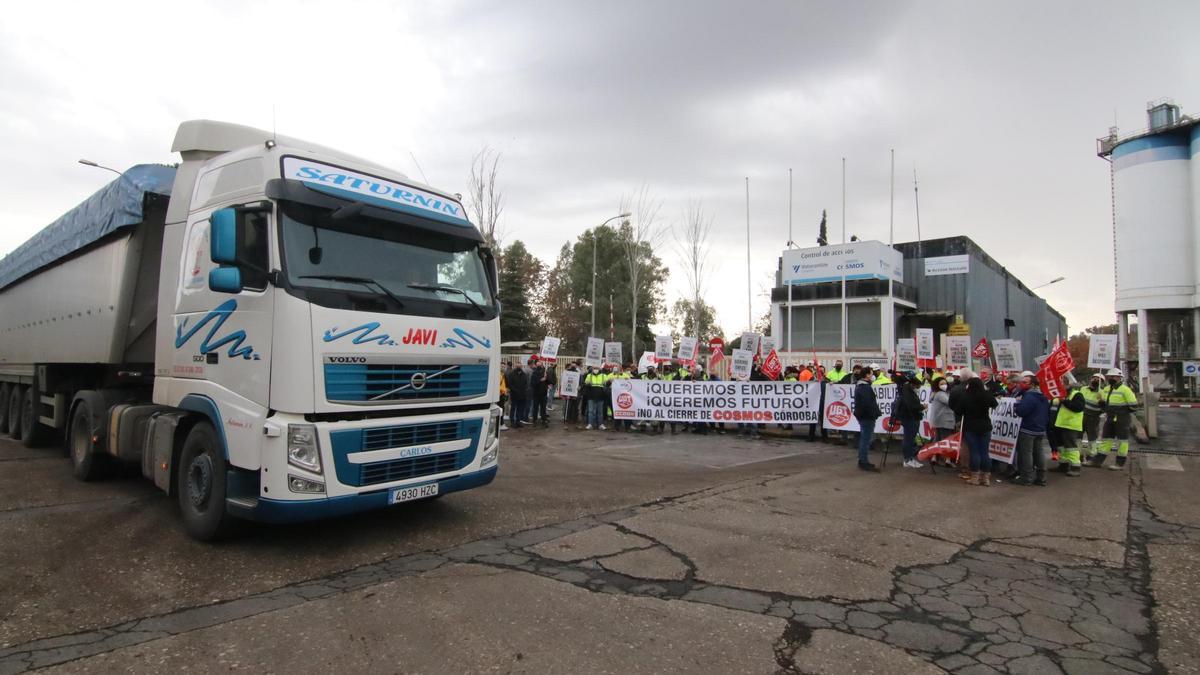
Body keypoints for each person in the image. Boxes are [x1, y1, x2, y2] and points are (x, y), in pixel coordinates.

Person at [1090, 368, 1138, 470]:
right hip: (1110, 417)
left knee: (1122, 441)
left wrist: (1122, 411)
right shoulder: (1107, 389)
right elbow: (1103, 402)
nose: (1111, 378)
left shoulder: (1125, 390)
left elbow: (1134, 406)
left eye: (1113, 376)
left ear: (1119, 378)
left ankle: (1119, 463)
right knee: (1106, 439)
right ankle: (1097, 461)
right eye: (1109, 376)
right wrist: (1102, 403)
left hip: (1122, 418)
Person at [1012, 372, 1050, 486]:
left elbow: (1021, 411)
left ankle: (1026, 477)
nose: (1021, 384)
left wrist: (1017, 404)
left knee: (1026, 453)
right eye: (1021, 382)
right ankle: (1041, 477)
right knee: (1039, 453)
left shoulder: (1029, 397)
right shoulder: (1042, 396)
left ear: (1032, 384)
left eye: (1024, 382)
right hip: (1039, 428)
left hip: (1028, 428)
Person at [961, 375, 998, 486]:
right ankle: (986, 478)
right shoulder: (986, 395)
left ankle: (975, 477)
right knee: (985, 452)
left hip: (971, 427)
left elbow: (958, 410)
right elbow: (995, 404)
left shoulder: (966, 396)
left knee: (974, 452)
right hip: (985, 426)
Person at [892, 372, 926, 468]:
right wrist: (921, 407)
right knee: (909, 439)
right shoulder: (906, 390)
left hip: (911, 416)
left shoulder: (905, 389)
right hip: (910, 417)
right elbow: (911, 405)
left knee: (910, 438)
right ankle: (908, 459)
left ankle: (909, 458)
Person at [1054, 377, 1087, 476]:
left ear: (1067, 385)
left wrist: (1064, 401)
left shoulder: (1077, 394)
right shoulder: (1059, 395)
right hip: (1060, 424)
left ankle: (1075, 467)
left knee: (1071, 447)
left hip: (1071, 425)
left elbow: (1078, 408)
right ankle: (1063, 465)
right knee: (1061, 446)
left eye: (1060, 384)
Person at [853, 368, 881, 471]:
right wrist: (874, 413)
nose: (872, 376)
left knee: (864, 438)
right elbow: (868, 404)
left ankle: (862, 460)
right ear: (867, 375)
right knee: (866, 439)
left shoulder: (861, 386)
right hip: (867, 417)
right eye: (871, 374)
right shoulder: (865, 387)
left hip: (864, 416)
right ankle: (863, 461)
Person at [1080, 373, 1105, 460]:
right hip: (1081, 416)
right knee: (1078, 435)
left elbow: (1105, 408)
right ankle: (1079, 454)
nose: (1096, 380)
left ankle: (1092, 454)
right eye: (1094, 378)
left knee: (1092, 437)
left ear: (1101, 382)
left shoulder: (1102, 393)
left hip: (1093, 418)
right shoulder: (1083, 389)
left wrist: (1102, 402)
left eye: (1099, 379)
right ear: (1091, 379)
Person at [928, 376, 956, 445]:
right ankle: (942, 455)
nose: (944, 385)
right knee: (945, 440)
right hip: (944, 421)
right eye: (941, 384)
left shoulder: (937, 393)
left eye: (945, 383)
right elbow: (950, 403)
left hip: (939, 421)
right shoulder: (941, 394)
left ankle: (935, 454)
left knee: (938, 439)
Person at [583, 365, 607, 430]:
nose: (595, 369)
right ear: (592, 369)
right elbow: (585, 384)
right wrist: (587, 383)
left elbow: (606, 384)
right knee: (591, 411)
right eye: (594, 368)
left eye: (597, 368)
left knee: (600, 411)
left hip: (600, 395)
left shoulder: (603, 376)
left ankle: (600, 424)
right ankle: (590, 424)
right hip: (591, 395)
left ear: (599, 369)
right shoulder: (589, 376)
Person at [506, 363, 530, 429]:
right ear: (515, 366)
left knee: (520, 409)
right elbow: (509, 384)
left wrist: (524, 391)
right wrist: (515, 390)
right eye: (518, 366)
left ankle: (518, 421)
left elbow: (526, 384)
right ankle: (512, 422)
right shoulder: (511, 374)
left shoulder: (524, 374)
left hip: (522, 395)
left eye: (520, 366)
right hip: (514, 395)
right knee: (513, 408)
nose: (519, 367)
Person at [529, 357, 550, 427]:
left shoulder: (545, 372)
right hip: (536, 393)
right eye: (539, 363)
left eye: (541, 364)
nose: (540, 365)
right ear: (536, 365)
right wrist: (540, 380)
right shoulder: (534, 373)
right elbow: (532, 383)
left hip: (543, 393)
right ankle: (534, 420)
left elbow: (549, 382)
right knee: (535, 407)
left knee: (543, 408)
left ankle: (544, 420)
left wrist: (547, 378)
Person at [498, 365, 510, 431]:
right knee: (501, 409)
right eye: (502, 366)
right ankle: (501, 424)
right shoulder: (500, 375)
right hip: (499, 394)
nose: (503, 368)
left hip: (501, 394)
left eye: (504, 366)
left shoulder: (502, 374)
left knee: (501, 409)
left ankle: (500, 423)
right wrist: (503, 391)